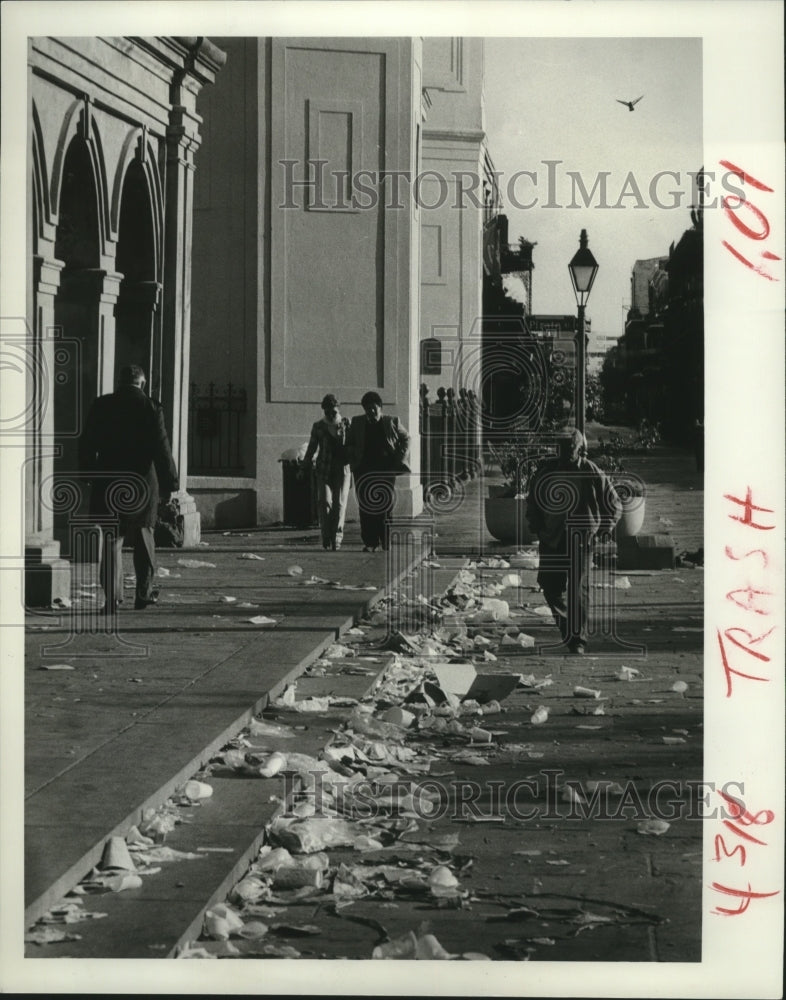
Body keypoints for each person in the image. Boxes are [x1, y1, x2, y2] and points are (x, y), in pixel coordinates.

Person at [79, 365, 179, 612]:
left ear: (119, 382)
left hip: (108, 481)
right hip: (142, 483)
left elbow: (86, 443)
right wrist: (171, 484)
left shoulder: (101, 405)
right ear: (142, 383)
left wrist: (88, 474)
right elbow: (162, 450)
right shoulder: (151, 408)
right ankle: (143, 593)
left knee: (112, 540)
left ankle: (112, 598)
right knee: (145, 537)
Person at [526, 428, 621, 654]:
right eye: (562, 448)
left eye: (571, 448)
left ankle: (577, 639)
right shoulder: (546, 472)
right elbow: (533, 500)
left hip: (582, 537)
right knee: (549, 586)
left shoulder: (591, 471)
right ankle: (568, 628)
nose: (566, 452)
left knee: (578, 588)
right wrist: (537, 526)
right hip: (552, 537)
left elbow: (614, 502)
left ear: (580, 448)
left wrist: (605, 529)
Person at [346, 391, 410, 552]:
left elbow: (406, 438)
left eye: (374, 408)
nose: (371, 412)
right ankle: (370, 542)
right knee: (366, 505)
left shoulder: (391, 422)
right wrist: (354, 456)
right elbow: (349, 442)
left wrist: (399, 458)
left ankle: (385, 540)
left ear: (380, 408)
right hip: (363, 469)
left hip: (385, 469)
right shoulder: (357, 422)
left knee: (385, 505)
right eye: (368, 409)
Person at [302, 394, 351, 550]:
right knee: (324, 502)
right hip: (324, 469)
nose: (331, 415)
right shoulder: (318, 427)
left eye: (334, 412)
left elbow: (354, 446)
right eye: (328, 412)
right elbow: (311, 448)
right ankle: (326, 536)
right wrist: (304, 467)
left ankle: (336, 537)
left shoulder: (346, 425)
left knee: (339, 503)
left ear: (339, 410)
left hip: (342, 470)